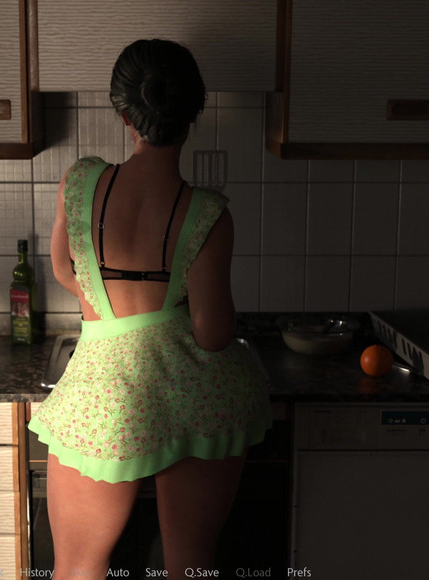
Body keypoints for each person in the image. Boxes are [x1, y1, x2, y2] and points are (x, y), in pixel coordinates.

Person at [26, 39, 272, 580]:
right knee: (191, 565)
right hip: (196, 400)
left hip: (102, 397)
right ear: (192, 115)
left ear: (124, 114)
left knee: (77, 567)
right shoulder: (208, 213)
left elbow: (66, 272)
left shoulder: (79, 182)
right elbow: (211, 334)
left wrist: (114, 312)